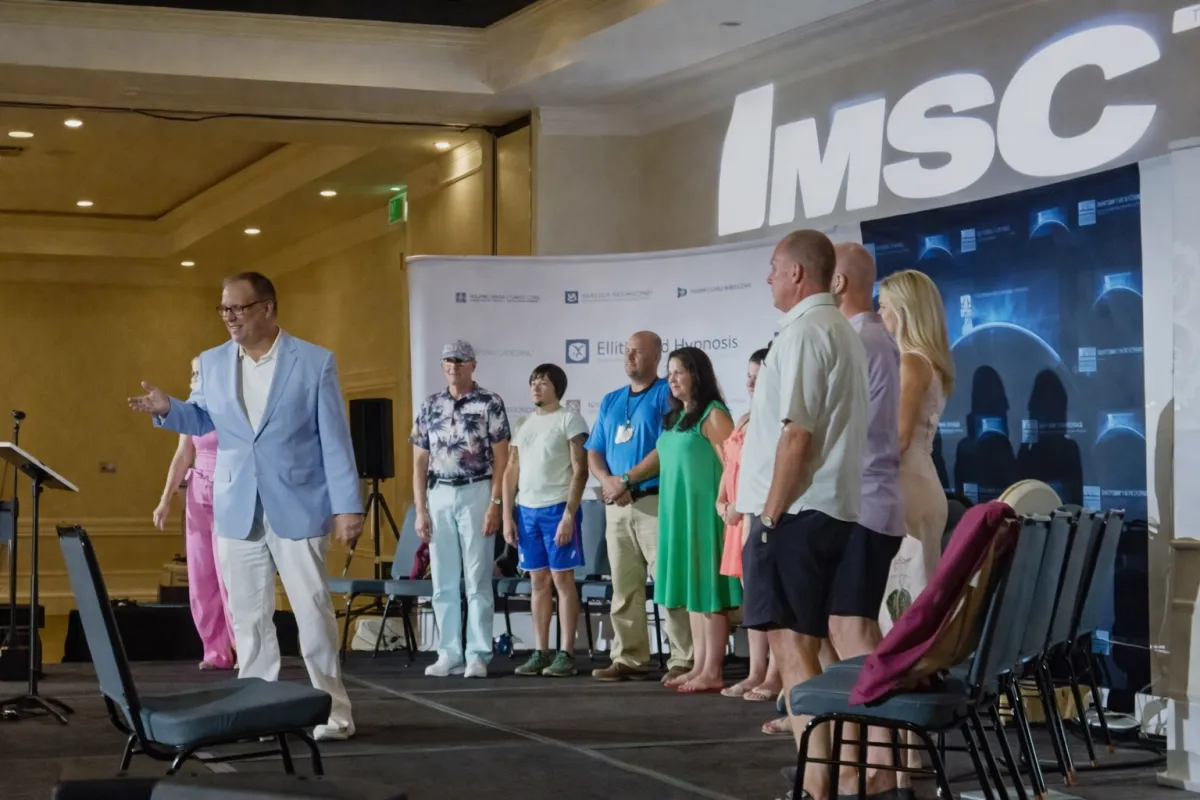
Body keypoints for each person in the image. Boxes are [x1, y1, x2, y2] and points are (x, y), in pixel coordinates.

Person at [128, 271, 363, 742]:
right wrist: (168, 409)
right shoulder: (212, 362)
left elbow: (335, 440)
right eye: (224, 309)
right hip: (236, 505)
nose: (230, 318)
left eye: (238, 308)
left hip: (299, 503)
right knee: (249, 619)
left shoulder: (313, 361)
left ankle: (335, 713)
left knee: (312, 611)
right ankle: (258, 712)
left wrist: (348, 507)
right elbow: (201, 420)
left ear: (267, 308)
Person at [736, 230, 868, 800]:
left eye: (773, 267)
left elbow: (797, 434)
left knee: (793, 652)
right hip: (825, 511)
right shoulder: (835, 329)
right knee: (816, 651)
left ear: (796, 274)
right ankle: (836, 776)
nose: (767, 277)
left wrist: (769, 515)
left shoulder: (808, 332)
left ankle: (817, 786)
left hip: (798, 514)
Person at [827, 241, 906, 797]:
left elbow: (845, 427)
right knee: (854, 629)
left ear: (838, 283)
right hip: (868, 500)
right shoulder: (874, 337)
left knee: (851, 630)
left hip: (864, 501)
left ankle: (881, 763)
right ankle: (871, 758)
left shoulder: (861, 340)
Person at [621, 347, 739, 693]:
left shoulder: (713, 414)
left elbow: (733, 464)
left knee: (709, 592)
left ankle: (712, 670)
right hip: (676, 513)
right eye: (669, 372)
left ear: (697, 376)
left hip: (704, 514)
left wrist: (724, 503)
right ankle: (699, 665)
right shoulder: (675, 418)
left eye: (680, 372)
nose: (672, 379)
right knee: (692, 593)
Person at [586, 331, 693, 683]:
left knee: (669, 583)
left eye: (637, 351)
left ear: (657, 356)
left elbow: (667, 447)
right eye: (626, 350)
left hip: (655, 502)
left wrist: (626, 480)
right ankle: (628, 657)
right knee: (623, 587)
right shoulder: (611, 399)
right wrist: (608, 481)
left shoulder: (666, 394)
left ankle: (684, 658)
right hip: (616, 505)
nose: (629, 357)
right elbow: (594, 450)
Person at [411, 340, 510, 679]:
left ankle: (477, 654)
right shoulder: (430, 405)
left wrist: (495, 503)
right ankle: (449, 652)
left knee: (478, 578)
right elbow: (419, 461)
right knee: (443, 580)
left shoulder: (489, 402)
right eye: (448, 360)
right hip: (439, 492)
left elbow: (502, 459)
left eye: (460, 360)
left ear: (473, 365)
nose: (453, 365)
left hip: (476, 490)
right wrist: (421, 509)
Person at [502, 363, 589, 678]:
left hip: (557, 508)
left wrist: (569, 514)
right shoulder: (523, 423)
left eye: (543, 382)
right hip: (527, 511)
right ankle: (540, 651)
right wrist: (507, 516)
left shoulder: (569, 419)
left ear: (557, 389)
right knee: (537, 582)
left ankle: (566, 652)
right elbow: (511, 469)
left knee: (562, 581)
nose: (536, 387)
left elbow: (580, 470)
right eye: (533, 382)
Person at [152, 357, 235, 672]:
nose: (194, 378)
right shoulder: (190, 409)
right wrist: (165, 499)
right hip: (198, 495)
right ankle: (215, 651)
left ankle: (246, 649)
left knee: (230, 576)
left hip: (229, 493)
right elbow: (182, 456)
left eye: (200, 373)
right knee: (202, 577)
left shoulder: (232, 407)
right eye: (193, 373)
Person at [877, 269, 954, 598]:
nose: (878, 314)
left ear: (903, 312)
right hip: (920, 486)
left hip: (906, 491)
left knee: (903, 602)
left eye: (883, 307)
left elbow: (898, 437)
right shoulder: (928, 362)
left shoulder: (911, 362)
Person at [717, 347, 781, 702]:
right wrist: (722, 500)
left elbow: (772, 474)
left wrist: (740, 507)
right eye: (748, 377)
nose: (750, 384)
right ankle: (756, 671)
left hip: (760, 514)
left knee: (770, 599)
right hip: (737, 518)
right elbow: (730, 466)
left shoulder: (778, 419)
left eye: (757, 378)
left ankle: (775, 673)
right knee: (753, 599)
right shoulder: (744, 419)